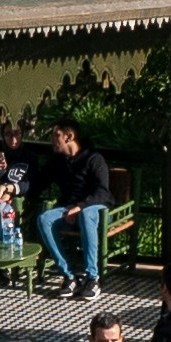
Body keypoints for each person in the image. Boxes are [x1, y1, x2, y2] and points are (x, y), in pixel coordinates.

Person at [32, 122, 117, 300]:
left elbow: (102, 192)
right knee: (45, 219)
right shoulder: (58, 161)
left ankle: (93, 278)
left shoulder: (94, 159)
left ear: (68, 137)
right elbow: (37, 183)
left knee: (86, 215)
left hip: (97, 210)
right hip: (69, 209)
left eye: (56, 136)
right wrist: (10, 189)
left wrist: (80, 207)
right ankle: (69, 275)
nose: (52, 141)